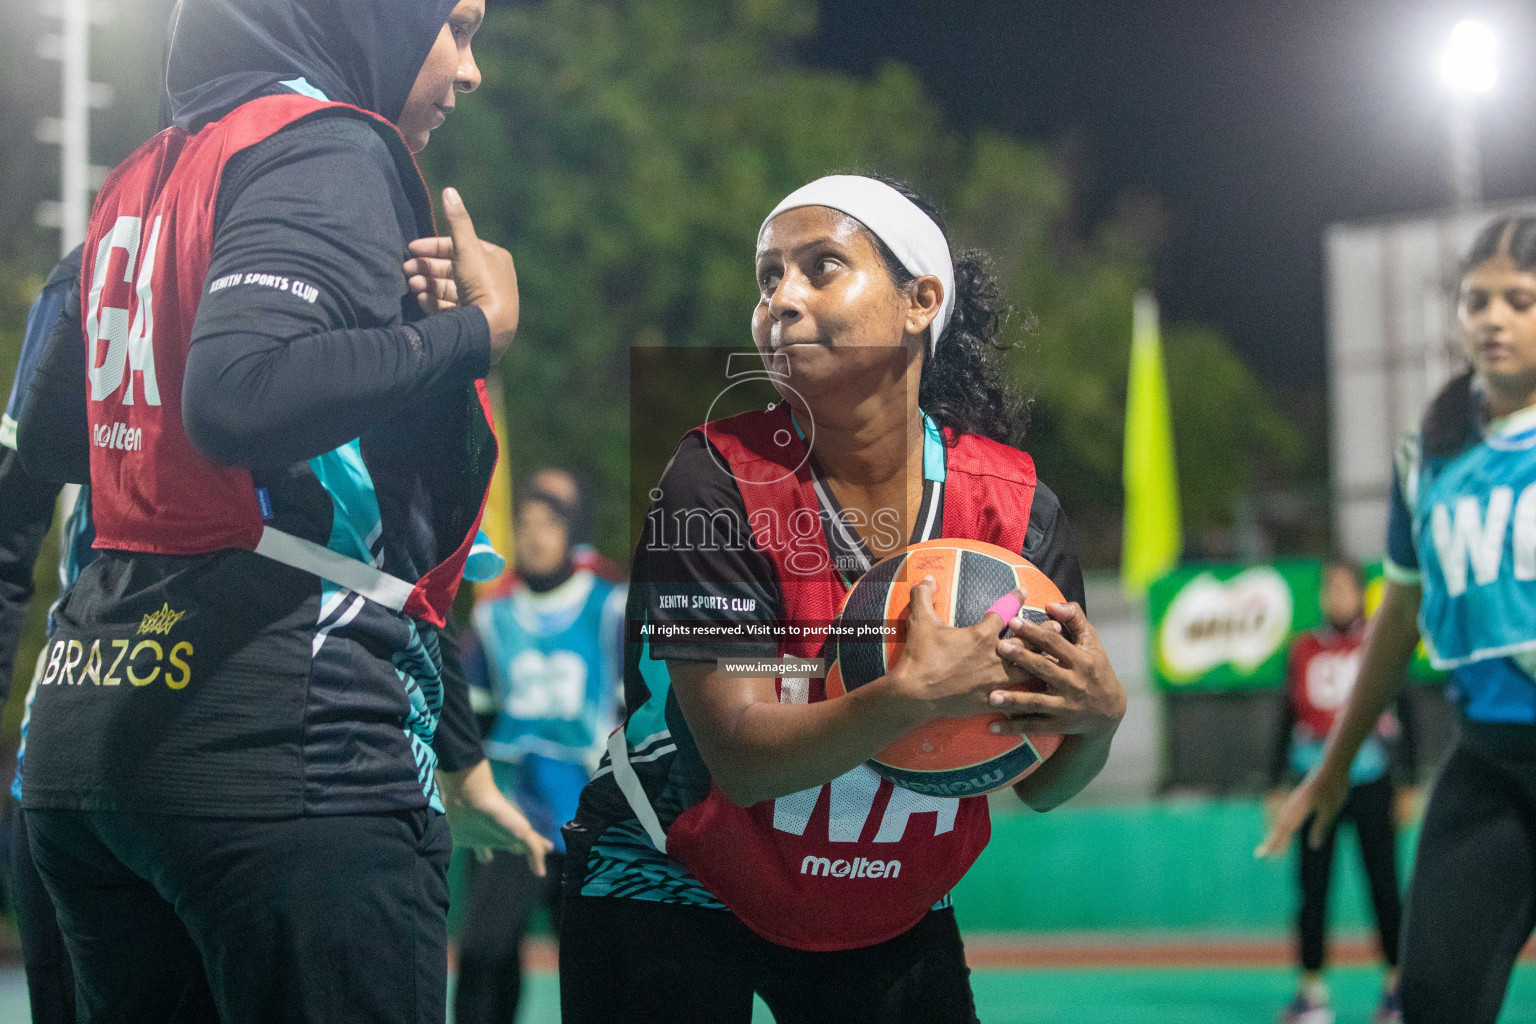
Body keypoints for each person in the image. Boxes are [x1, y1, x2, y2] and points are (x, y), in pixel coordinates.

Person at [12, 1, 552, 1021]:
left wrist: (402, 348)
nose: (469, 69)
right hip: (281, 745)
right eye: (457, 26)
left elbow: (60, 451)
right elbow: (241, 395)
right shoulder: (327, 140)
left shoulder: (150, 171)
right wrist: (474, 336)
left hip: (98, 725)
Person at [554, 174, 1126, 1022]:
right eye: (768, 277)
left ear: (919, 301)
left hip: (887, 896)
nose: (781, 300)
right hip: (673, 867)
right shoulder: (715, 481)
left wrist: (1098, 720)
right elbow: (743, 763)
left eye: (822, 266)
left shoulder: (1010, 509)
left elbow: (1037, 782)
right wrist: (910, 694)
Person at [1262, 216, 1536, 1024]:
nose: (1491, 317)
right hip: (1488, 763)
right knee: (1435, 999)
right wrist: (1334, 764)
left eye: (1518, 300)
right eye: (1475, 299)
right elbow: (1400, 616)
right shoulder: (1430, 455)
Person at [454, 473, 625, 1024]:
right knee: (483, 957)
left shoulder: (612, 608)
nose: (533, 537)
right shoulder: (491, 617)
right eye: (523, 525)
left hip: (589, 813)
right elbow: (471, 718)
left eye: (548, 525)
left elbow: (640, 712)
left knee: (597, 971)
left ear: (572, 532)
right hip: (513, 810)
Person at [1266, 559, 1418, 1024]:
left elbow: (1408, 713)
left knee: (1385, 888)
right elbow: (1284, 717)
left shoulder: (1380, 643)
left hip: (1371, 781)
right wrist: (1276, 785)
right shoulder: (1303, 648)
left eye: (1344, 587)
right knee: (1312, 889)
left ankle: (1396, 988)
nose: (1337, 596)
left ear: (1360, 592)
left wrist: (1408, 781)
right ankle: (1311, 992)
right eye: (1329, 588)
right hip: (1314, 785)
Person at [0, 246, 86, 1024]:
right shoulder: (87, 272)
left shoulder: (367, 262)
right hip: (73, 754)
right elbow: (8, 528)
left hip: (272, 756)